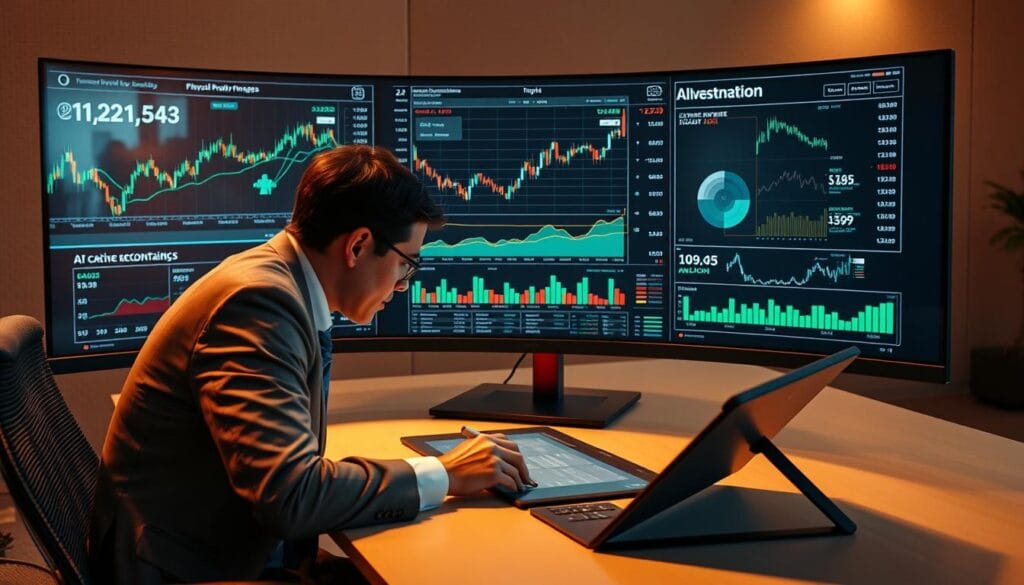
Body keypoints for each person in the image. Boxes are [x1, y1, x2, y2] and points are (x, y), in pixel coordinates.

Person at [89, 145, 534, 584]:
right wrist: (445, 474)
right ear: (358, 245)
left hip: (212, 546)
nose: (403, 286)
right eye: (406, 265)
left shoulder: (279, 285)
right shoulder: (259, 305)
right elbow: (291, 495)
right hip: (177, 570)